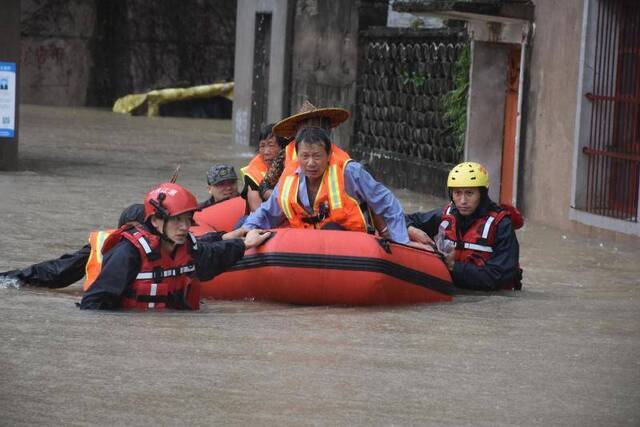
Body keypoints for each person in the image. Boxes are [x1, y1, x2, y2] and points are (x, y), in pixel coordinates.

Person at [80, 182, 271, 310]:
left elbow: (214, 254)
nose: (185, 227)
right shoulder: (128, 254)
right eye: (177, 220)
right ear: (155, 221)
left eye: (188, 220)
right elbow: (93, 305)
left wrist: (244, 243)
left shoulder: (188, 247)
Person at [231, 127, 410, 243]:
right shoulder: (288, 178)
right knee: (248, 224)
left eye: (317, 156)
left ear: (328, 154)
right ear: (297, 155)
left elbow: (387, 203)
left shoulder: (350, 172)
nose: (310, 163)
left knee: (330, 230)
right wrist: (247, 229)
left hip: (350, 243)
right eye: (305, 156)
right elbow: (268, 212)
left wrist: (402, 242)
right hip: (305, 242)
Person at [406, 162, 523, 291]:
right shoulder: (445, 216)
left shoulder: (502, 224)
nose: (462, 201)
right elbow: (402, 220)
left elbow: (499, 276)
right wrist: (411, 230)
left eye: (469, 193)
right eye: (457, 193)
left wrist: (453, 267)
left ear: (482, 194)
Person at [0, 204, 145, 289]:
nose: (134, 236)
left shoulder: (166, 250)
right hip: (100, 310)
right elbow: (59, 270)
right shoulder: (104, 245)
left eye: (139, 230)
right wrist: (17, 277)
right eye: (129, 230)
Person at [241, 123, 288, 211]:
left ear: (283, 147)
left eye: (271, 145)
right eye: (262, 146)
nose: (266, 152)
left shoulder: (294, 165)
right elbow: (257, 212)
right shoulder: (253, 173)